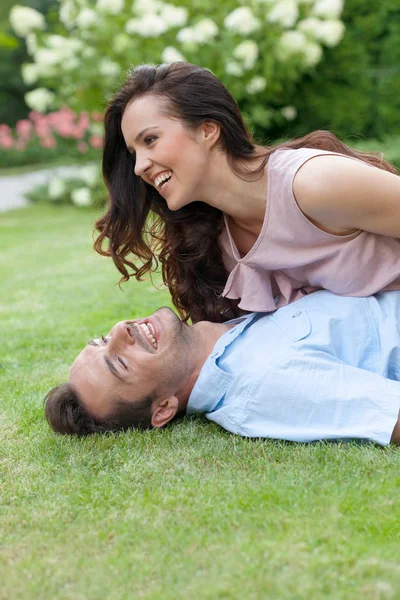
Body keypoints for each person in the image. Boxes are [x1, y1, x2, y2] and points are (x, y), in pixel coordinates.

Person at [94, 61, 400, 324]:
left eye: (150, 140)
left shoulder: (313, 183)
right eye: (134, 153)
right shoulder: (214, 240)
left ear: (207, 130)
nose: (139, 167)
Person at [45, 290, 400, 446]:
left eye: (101, 339)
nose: (121, 330)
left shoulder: (224, 321)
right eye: (120, 362)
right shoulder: (261, 383)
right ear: (164, 409)